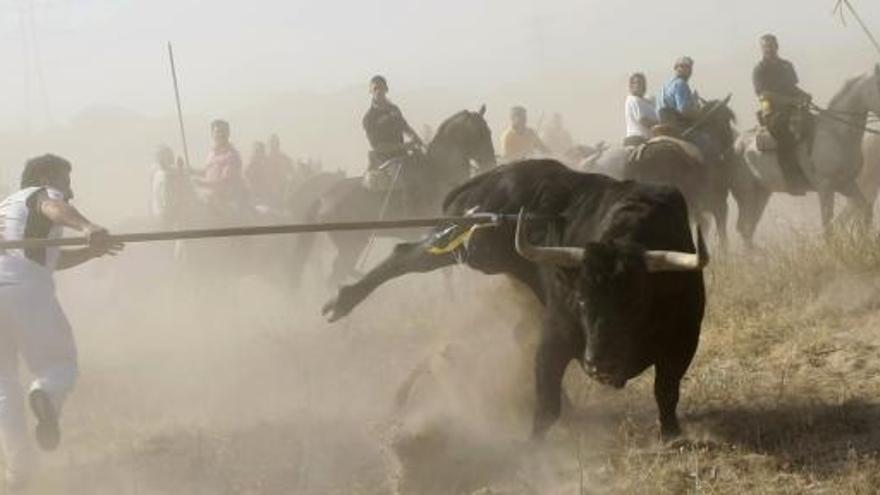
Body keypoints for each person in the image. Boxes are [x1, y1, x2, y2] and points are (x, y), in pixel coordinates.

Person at [0, 154, 121, 490]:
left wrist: (90, 252)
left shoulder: (7, 209)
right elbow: (53, 207)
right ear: (46, 178)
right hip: (26, 290)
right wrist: (87, 227)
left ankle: (18, 470)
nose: (70, 191)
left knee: (3, 384)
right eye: (66, 182)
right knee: (59, 365)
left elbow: (47, 258)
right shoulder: (41, 193)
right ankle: (46, 394)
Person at [753, 33, 812, 193]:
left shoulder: (787, 65)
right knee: (785, 136)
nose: (769, 49)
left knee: (814, 124)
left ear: (777, 46)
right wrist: (791, 101)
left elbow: (792, 87)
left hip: (792, 108)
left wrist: (804, 95)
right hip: (772, 112)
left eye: (771, 45)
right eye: (765, 46)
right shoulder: (759, 70)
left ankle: (816, 170)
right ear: (761, 49)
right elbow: (764, 95)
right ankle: (793, 180)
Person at [362, 75, 423, 171]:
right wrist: (404, 146)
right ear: (370, 91)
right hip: (384, 164)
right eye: (375, 88)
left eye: (381, 88)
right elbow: (378, 147)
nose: (378, 91)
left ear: (386, 89)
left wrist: (417, 140)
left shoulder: (394, 109)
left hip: (403, 157)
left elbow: (405, 127)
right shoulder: (369, 118)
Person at [192, 119, 247, 214]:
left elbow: (225, 182)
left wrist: (203, 183)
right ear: (212, 134)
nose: (220, 134)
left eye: (223, 131)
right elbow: (207, 172)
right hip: (210, 199)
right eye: (217, 132)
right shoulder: (212, 153)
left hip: (226, 202)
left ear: (228, 133)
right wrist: (192, 171)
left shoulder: (232, 156)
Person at [624, 73, 659, 146]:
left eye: (642, 83)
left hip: (648, 139)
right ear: (631, 85)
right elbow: (643, 120)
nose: (639, 86)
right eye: (637, 83)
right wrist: (660, 125)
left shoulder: (645, 100)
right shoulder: (633, 100)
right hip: (638, 139)